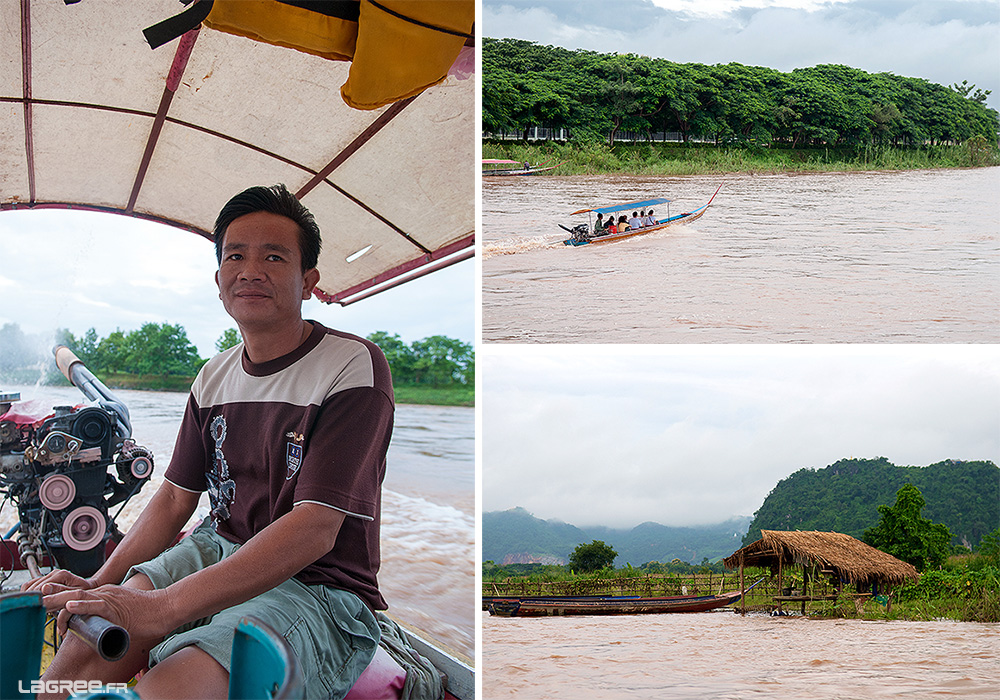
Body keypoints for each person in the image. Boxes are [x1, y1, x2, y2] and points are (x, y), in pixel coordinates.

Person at [26, 184, 393, 700]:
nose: (251, 270)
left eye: (274, 256)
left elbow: (315, 528)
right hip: (217, 546)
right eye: (235, 255)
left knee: (176, 681)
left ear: (307, 280)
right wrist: (99, 581)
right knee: (95, 632)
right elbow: (177, 497)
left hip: (317, 582)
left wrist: (167, 609)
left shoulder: (351, 365)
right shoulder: (213, 375)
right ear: (219, 279)